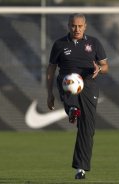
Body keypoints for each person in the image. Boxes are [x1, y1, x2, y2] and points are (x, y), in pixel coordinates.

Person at [46, 13, 109, 180]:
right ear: (68, 26)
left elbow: (105, 66)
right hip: (68, 81)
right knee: (67, 80)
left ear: (85, 26)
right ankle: (73, 108)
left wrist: (99, 69)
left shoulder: (93, 43)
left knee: (87, 128)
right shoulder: (59, 44)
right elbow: (51, 69)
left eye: (80, 26)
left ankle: (80, 168)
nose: (77, 29)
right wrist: (49, 94)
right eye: (74, 26)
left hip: (89, 85)